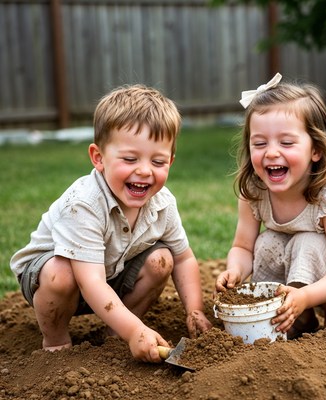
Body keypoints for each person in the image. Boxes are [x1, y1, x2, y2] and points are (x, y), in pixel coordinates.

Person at [10, 84, 212, 362]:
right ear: (98, 158)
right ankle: (55, 340)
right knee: (62, 272)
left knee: (162, 259)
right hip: (52, 281)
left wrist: (195, 310)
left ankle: (117, 332)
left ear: (171, 162)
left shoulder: (163, 203)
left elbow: (183, 258)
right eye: (130, 158)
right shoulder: (85, 204)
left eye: (158, 161)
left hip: (109, 274)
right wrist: (136, 331)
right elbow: (90, 282)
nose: (144, 170)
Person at [215, 73, 326, 339]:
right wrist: (234, 270)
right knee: (266, 242)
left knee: (309, 244)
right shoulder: (255, 192)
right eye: (260, 143)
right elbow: (243, 247)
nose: (272, 152)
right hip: (304, 271)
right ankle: (296, 319)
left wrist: (306, 295)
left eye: (286, 142)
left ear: (316, 150)